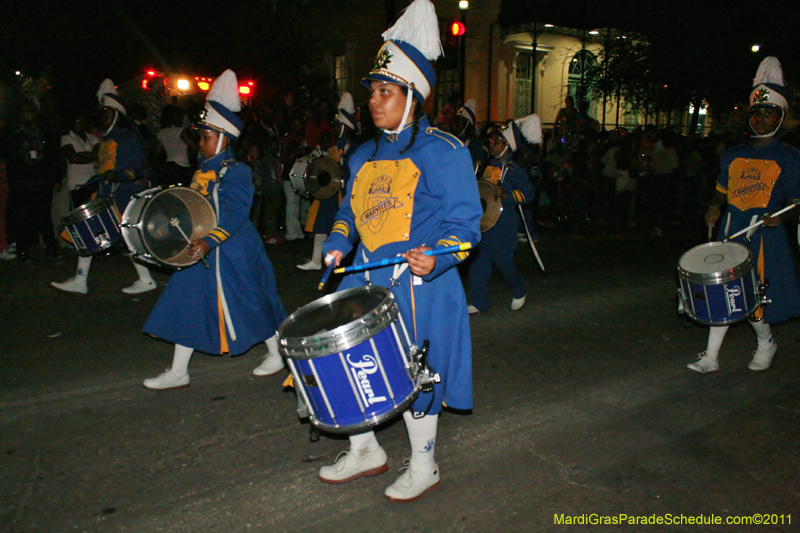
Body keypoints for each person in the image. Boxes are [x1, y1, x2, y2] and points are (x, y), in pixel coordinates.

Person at [318, 0, 482, 502]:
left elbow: (466, 225)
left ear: (414, 96)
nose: (375, 101)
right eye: (373, 92)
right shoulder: (363, 153)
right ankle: (365, 449)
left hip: (420, 285)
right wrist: (338, 242)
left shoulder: (444, 150)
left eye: (386, 91)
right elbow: (349, 212)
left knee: (414, 373)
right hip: (364, 277)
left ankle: (425, 463)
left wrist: (439, 257)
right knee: (352, 363)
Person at [141, 70, 287, 390]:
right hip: (204, 248)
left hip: (234, 249)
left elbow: (235, 215)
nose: (201, 141)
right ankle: (179, 371)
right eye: (202, 135)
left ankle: (276, 352)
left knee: (250, 301)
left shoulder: (236, 172)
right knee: (188, 299)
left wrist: (209, 241)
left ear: (224, 139)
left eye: (207, 136)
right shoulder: (203, 170)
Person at [688, 57, 800, 374]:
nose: (761, 119)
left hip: (764, 235)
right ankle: (711, 356)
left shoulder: (791, 158)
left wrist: (784, 217)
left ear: (780, 115)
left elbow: (797, 201)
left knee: (755, 297)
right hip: (730, 229)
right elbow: (722, 190)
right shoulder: (733, 154)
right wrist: (714, 205)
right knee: (720, 290)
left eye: (768, 113)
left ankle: (766, 343)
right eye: (756, 113)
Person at [50, 79, 156, 295]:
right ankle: (82, 280)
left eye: (107, 114)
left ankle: (145, 279)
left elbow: (136, 170)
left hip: (124, 197)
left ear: (117, 115)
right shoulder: (107, 140)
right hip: (107, 194)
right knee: (88, 230)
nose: (103, 118)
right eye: (102, 114)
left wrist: (115, 175)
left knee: (126, 239)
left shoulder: (128, 138)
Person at [467, 115, 539, 314]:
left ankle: (519, 289)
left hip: (504, 223)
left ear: (507, 146)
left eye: (496, 142)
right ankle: (479, 301)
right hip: (486, 222)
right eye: (491, 141)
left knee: (504, 262)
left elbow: (528, 194)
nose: (492, 145)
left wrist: (506, 195)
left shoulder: (515, 170)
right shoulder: (489, 165)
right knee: (478, 263)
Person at [297, 93, 359, 270]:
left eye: (338, 125)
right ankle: (316, 260)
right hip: (332, 192)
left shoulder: (354, 148)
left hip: (346, 193)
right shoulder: (335, 146)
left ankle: (344, 261)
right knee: (321, 225)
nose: (334, 128)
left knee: (346, 228)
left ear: (345, 127)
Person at [53, 112, 100, 236]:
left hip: (93, 182)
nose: (80, 124)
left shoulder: (91, 137)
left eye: (83, 121)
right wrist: (92, 156)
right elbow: (73, 158)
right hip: (77, 184)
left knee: (94, 215)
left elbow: (100, 154)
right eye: (77, 122)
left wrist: (84, 156)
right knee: (80, 217)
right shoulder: (67, 138)